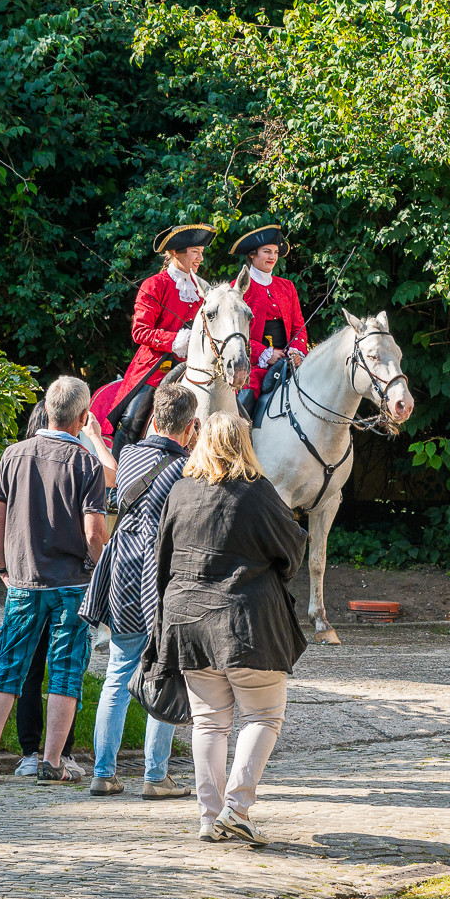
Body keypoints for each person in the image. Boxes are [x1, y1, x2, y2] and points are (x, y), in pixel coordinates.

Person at [155, 412, 307, 845]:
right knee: (263, 715)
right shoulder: (256, 492)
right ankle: (236, 810)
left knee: (208, 723)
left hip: (187, 620)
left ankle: (209, 817)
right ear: (244, 444)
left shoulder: (180, 490)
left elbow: (162, 555)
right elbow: (292, 548)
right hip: (245, 623)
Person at [0, 376, 108, 785]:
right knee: (66, 672)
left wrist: (2, 568)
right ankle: (52, 763)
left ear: (47, 410)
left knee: (7, 669)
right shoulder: (87, 463)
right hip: (70, 584)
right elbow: (93, 533)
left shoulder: (13, 455)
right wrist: (100, 570)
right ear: (84, 417)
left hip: (23, 583)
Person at [86, 383, 199, 799]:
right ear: (190, 427)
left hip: (122, 571)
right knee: (165, 672)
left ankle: (104, 772)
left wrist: (99, 438)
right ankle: (155, 775)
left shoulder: (130, 456)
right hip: (162, 578)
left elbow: (115, 474)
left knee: (118, 672)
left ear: (154, 417)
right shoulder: (189, 466)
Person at [105, 224, 217, 455]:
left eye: (201, 252)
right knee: (132, 419)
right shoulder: (154, 285)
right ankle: (115, 481)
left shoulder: (203, 289)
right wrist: (177, 339)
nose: (200, 258)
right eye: (195, 252)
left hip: (194, 366)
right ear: (177, 252)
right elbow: (140, 332)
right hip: (157, 366)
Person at [227, 224, 308, 416]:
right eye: (267, 252)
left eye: (275, 252)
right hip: (253, 366)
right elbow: (233, 335)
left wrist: (297, 352)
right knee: (245, 396)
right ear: (253, 254)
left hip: (287, 361)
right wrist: (264, 353)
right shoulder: (237, 289)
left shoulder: (287, 286)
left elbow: (299, 326)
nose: (272, 257)